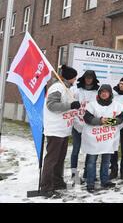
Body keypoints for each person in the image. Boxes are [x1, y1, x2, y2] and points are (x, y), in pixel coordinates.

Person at [40, 65, 81, 198]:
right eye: (74, 76)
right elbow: (52, 105)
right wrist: (70, 106)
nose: (76, 79)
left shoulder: (67, 88)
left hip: (64, 129)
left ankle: (57, 181)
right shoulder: (57, 87)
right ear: (70, 77)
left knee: (59, 158)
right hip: (55, 129)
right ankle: (46, 187)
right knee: (52, 159)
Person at [82, 84, 123, 193]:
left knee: (106, 161)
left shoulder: (116, 106)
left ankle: (104, 180)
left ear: (110, 93)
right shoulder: (92, 105)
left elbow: (120, 119)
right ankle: (90, 183)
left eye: (106, 92)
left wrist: (109, 121)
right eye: (102, 92)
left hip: (108, 139)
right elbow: (87, 118)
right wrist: (100, 121)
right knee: (91, 161)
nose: (104, 94)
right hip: (94, 139)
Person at [70, 70, 100, 182]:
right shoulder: (76, 89)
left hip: (91, 125)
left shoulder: (97, 91)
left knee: (90, 150)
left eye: (90, 78)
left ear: (93, 79)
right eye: (86, 77)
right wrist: (75, 120)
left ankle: (88, 172)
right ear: (83, 78)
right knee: (76, 150)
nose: (88, 79)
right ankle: (74, 175)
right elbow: (71, 104)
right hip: (77, 123)